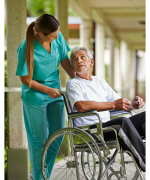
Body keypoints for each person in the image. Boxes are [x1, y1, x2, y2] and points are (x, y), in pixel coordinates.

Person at [66, 47, 145, 172]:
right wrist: (113, 105)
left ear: (91, 62)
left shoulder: (100, 81)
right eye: (75, 59)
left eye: (82, 57)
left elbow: (119, 102)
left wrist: (133, 105)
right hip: (90, 130)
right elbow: (81, 106)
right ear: (73, 67)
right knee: (122, 122)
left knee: (145, 117)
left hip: (106, 127)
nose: (79, 60)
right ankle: (145, 160)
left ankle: (139, 149)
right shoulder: (73, 83)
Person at [16, 14, 75, 180]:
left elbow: (64, 59)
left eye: (57, 34)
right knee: (39, 140)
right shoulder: (26, 47)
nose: (56, 37)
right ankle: (39, 177)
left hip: (54, 93)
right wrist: (46, 90)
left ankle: (42, 175)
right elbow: (25, 78)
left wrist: (78, 79)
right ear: (41, 34)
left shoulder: (57, 36)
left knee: (58, 135)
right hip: (35, 96)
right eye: (53, 36)